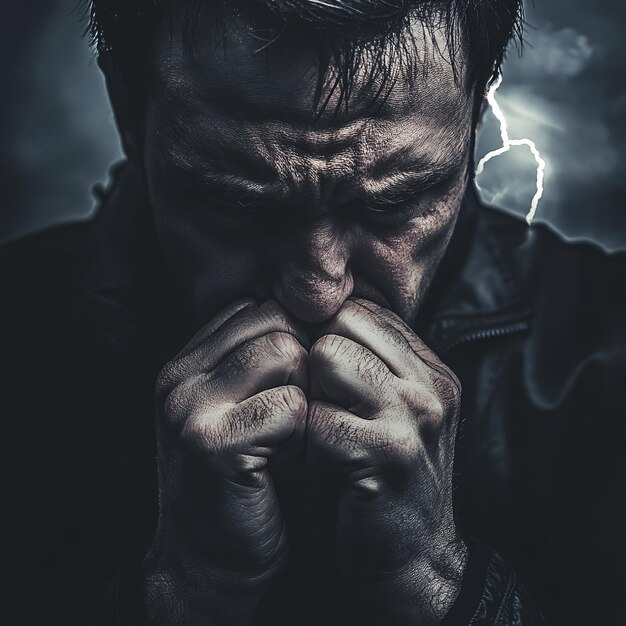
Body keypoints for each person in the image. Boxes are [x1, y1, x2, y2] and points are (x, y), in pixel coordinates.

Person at [4, 1, 625, 624]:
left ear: (477, 110)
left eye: (397, 200)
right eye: (235, 203)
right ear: (126, 111)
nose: (317, 290)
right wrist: (183, 594)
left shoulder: (607, 356)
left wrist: (435, 587)